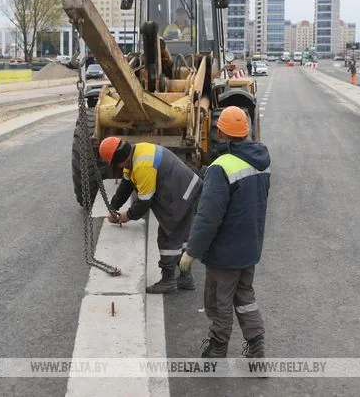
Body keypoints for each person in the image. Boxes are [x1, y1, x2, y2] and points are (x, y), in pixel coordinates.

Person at [180, 106, 271, 358]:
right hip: (250, 247)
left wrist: (192, 251)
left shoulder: (221, 167)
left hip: (224, 251)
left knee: (219, 299)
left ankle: (218, 346)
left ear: (221, 134)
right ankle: (256, 344)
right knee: (245, 296)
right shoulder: (261, 162)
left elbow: (208, 216)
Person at [99, 137, 202, 294]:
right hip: (187, 188)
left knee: (169, 236)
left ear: (117, 162)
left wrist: (126, 216)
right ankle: (186, 278)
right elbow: (126, 185)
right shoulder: (135, 154)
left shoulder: (142, 164)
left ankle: (168, 281)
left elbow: (144, 201)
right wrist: (113, 206)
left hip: (181, 194)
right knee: (181, 237)